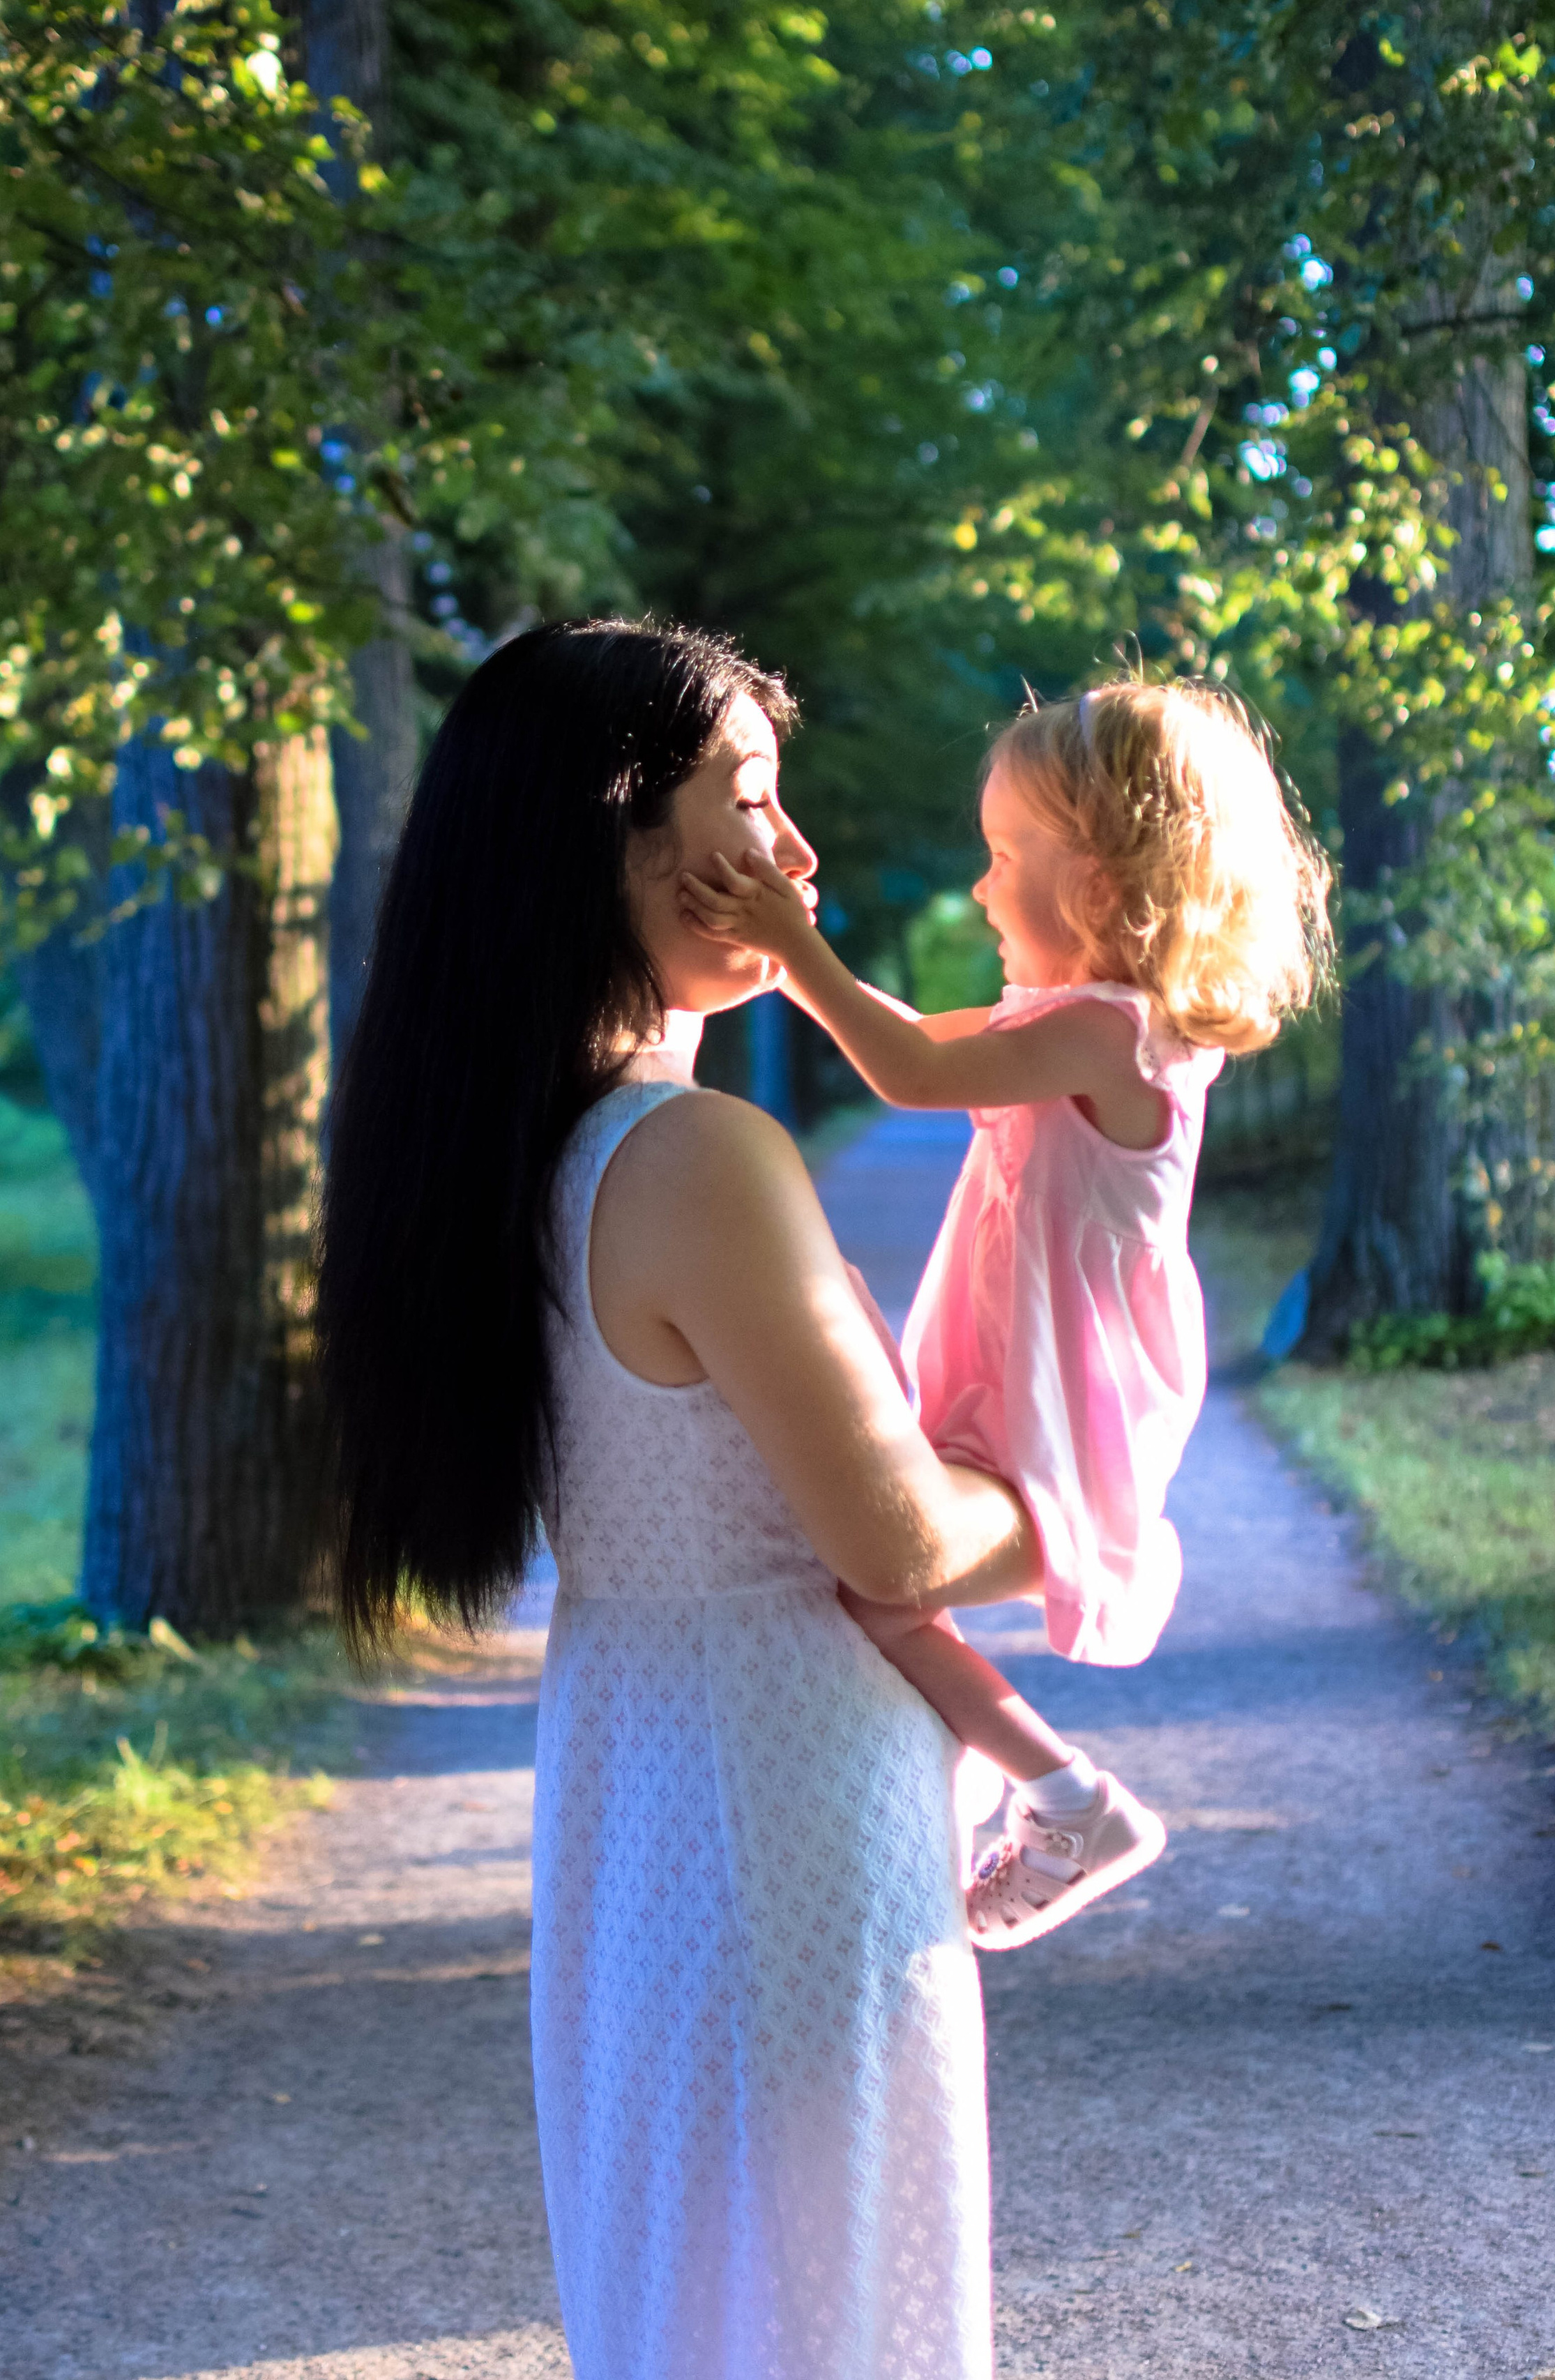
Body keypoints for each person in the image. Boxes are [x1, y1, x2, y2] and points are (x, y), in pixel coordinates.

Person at [317, 619, 1043, 2380]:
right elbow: (894, 1538)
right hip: (777, 1805)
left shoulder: (527, 1155)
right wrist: (1092, 1507)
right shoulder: (693, 1158)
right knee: (822, 2312)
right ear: (607, 838)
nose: (791, 858)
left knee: (696, 2302)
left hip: (647, 1782)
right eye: (750, 805)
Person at [678, 677, 1333, 1950]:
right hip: (1012, 1383)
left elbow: (912, 1068)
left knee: (874, 1580)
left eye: (1000, 857)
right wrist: (774, 964)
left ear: (1094, 887)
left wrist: (794, 947)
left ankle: (1064, 1796)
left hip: (1063, 1418)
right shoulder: (1068, 1023)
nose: (980, 889)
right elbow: (914, 1034)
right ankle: (998, 1764)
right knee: (867, 1563)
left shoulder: (1114, 1037)